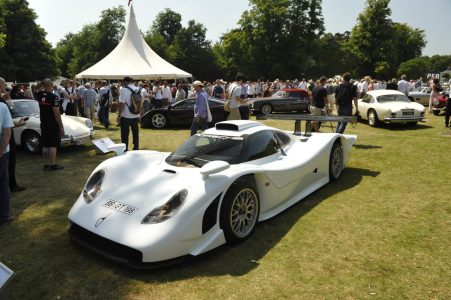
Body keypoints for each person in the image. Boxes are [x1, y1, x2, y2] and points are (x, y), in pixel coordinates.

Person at [35, 79, 65, 171]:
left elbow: (35, 89)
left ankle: (46, 164)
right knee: (52, 144)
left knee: (45, 144)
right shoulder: (54, 97)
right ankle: (52, 164)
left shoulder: (39, 94)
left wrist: (42, 83)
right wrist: (61, 126)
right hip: (52, 123)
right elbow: (56, 112)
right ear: (51, 85)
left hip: (43, 122)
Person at [0, 98, 14, 225]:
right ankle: (4, 215)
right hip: (2, 153)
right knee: (3, 182)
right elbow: (7, 133)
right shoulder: (2, 107)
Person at [117, 76, 140, 151]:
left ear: (125, 82)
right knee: (135, 133)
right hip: (136, 114)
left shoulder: (123, 90)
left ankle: (125, 148)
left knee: (125, 134)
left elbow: (122, 104)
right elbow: (140, 102)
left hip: (126, 115)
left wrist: (119, 115)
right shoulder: (138, 89)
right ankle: (136, 147)